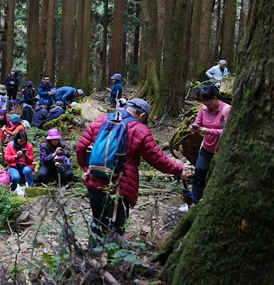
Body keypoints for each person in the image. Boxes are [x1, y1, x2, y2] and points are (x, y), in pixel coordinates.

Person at [76, 98, 192, 246]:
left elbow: (81, 147)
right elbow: (157, 159)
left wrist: (87, 169)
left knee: (98, 220)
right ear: (142, 115)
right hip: (119, 186)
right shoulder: (140, 129)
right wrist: (178, 170)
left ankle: (92, 254)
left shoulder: (101, 119)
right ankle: (110, 261)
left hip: (93, 182)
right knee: (116, 226)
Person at [185, 83, 232, 208]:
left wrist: (208, 131)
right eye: (203, 101)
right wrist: (194, 128)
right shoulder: (203, 109)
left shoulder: (227, 110)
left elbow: (229, 131)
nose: (206, 104)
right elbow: (198, 122)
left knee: (219, 177)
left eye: (208, 101)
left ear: (216, 97)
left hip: (222, 150)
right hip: (207, 147)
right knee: (199, 173)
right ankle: (193, 203)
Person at [5, 130, 36, 196]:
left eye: (24, 140)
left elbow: (31, 160)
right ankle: (13, 188)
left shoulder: (29, 146)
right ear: (17, 139)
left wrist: (26, 157)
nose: (22, 142)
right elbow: (7, 158)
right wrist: (16, 156)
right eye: (20, 140)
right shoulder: (10, 145)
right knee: (16, 177)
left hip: (24, 165)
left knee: (27, 170)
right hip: (13, 166)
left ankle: (31, 187)